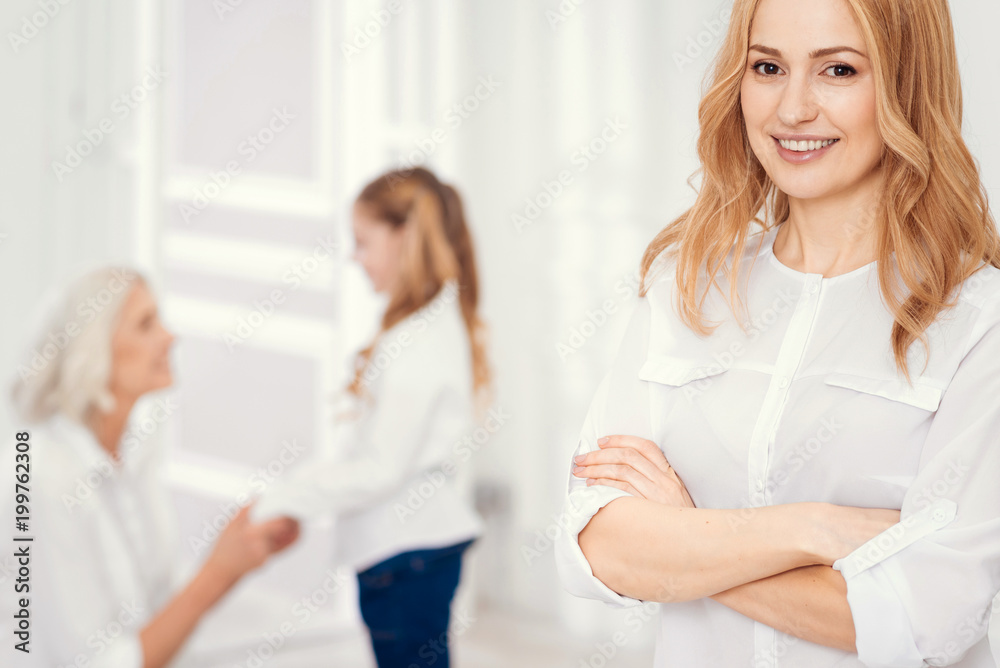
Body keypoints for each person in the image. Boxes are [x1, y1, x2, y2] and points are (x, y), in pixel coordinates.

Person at [555, 0, 1000, 666]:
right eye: (768, 67)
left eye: (839, 71)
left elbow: (923, 618)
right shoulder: (683, 290)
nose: (792, 109)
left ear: (907, 86)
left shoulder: (977, 321)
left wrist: (684, 539)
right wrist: (814, 529)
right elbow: (597, 547)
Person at [2, 267, 300, 668]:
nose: (170, 337)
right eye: (146, 324)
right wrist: (216, 574)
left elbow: (153, 622)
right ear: (95, 348)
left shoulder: (131, 463)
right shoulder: (40, 477)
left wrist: (234, 557)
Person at [254, 166, 491, 668]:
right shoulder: (426, 328)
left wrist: (284, 497)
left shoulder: (417, 344)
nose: (354, 258)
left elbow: (380, 468)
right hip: (416, 552)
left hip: (407, 555)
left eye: (362, 242)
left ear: (404, 236)